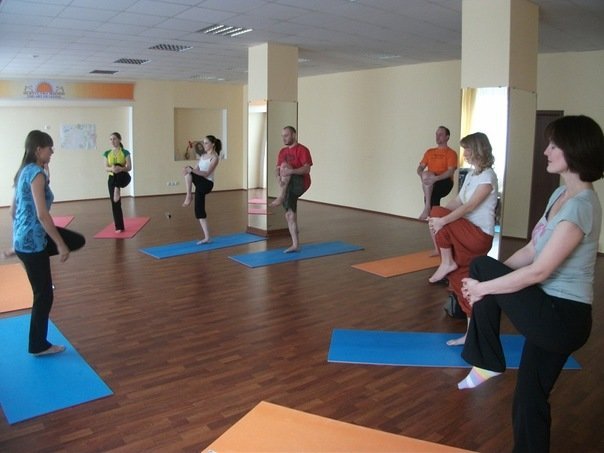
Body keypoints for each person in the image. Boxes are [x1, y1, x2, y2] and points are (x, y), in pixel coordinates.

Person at [458, 115, 603, 452]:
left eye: (554, 146)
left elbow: (539, 271)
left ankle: (486, 359)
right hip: (550, 310)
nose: (546, 151)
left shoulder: (581, 206)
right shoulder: (560, 195)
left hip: (561, 317)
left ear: (574, 150)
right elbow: (530, 250)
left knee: (481, 266)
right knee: (529, 397)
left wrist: (484, 287)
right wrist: (487, 284)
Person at [11, 130, 85, 355]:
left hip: (25, 239)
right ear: (38, 149)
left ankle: (27, 252)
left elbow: (14, 211)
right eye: (49, 147)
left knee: (76, 240)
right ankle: (38, 345)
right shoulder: (36, 173)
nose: (52, 151)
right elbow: (43, 215)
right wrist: (59, 244)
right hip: (33, 241)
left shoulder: (24, 171)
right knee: (44, 295)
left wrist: (16, 242)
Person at [427, 132, 498, 346]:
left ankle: (446, 261)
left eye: (467, 149)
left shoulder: (488, 176)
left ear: (477, 150)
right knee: (461, 282)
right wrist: (436, 217)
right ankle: (470, 334)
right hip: (465, 232)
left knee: (438, 213)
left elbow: (470, 206)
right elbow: (458, 201)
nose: (464, 154)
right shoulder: (472, 175)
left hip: (479, 235)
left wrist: (442, 218)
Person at [269, 126, 313, 253]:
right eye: (282, 136)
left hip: (301, 182)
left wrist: (290, 171)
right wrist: (278, 178)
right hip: (288, 184)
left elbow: (307, 169)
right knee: (289, 215)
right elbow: (277, 169)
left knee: (285, 166)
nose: (284, 138)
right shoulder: (282, 151)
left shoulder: (302, 150)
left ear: (294, 135)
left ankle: (281, 195)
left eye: (286, 135)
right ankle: (295, 245)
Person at [182, 135, 221, 244]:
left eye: (206, 143)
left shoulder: (215, 158)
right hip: (200, 184)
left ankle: (189, 196)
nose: (204, 145)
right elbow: (196, 170)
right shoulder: (203, 156)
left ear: (213, 144)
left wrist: (190, 170)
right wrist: (188, 170)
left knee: (189, 171)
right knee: (199, 211)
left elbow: (206, 173)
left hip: (207, 184)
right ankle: (207, 237)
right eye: (204, 143)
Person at [417, 126, 458, 221]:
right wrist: (421, 175)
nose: (437, 136)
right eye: (436, 134)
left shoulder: (451, 153)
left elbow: (450, 171)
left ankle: (428, 211)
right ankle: (432, 216)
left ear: (447, 137)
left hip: (445, 181)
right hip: (431, 180)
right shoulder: (429, 152)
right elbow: (420, 168)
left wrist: (435, 179)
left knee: (432, 192)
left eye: (440, 134)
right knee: (427, 176)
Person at [103, 132, 132, 233]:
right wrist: (112, 169)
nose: (112, 141)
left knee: (118, 165)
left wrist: (121, 168)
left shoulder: (125, 152)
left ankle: (117, 187)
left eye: (114, 139)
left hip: (123, 177)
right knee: (115, 203)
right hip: (112, 178)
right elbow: (105, 168)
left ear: (119, 140)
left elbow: (129, 167)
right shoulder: (107, 153)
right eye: (111, 139)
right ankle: (119, 227)